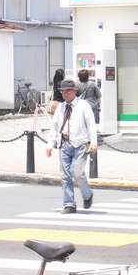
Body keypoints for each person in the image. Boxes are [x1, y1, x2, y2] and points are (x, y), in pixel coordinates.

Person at [46, 79, 97, 214]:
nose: (66, 94)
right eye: (63, 91)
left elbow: (91, 124)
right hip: (64, 143)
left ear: (75, 92)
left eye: (69, 91)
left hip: (80, 143)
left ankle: (87, 194)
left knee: (77, 172)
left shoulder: (83, 105)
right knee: (65, 175)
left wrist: (93, 142)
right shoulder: (61, 107)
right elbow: (54, 127)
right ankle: (69, 204)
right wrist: (50, 144)